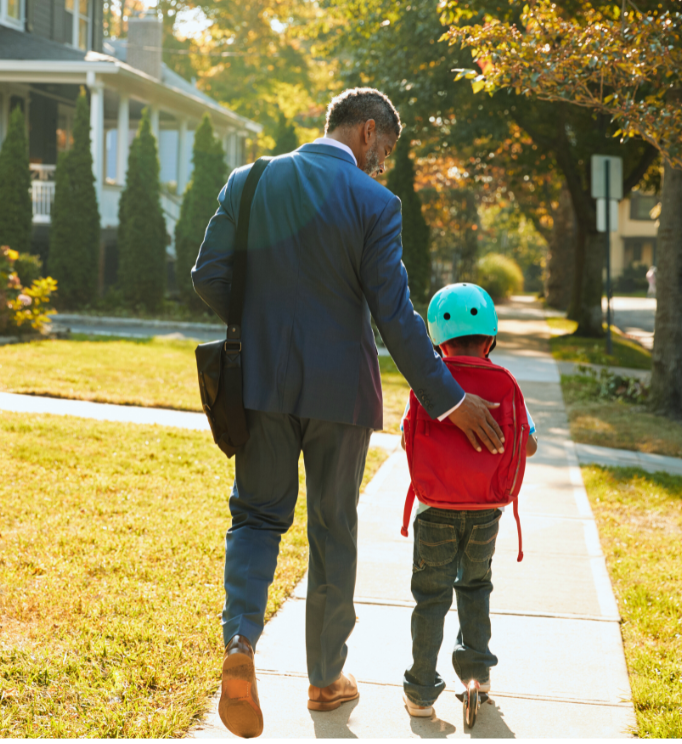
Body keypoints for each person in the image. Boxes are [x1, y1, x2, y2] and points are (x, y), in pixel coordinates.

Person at [192, 88, 506, 738]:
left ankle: (240, 645)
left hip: (261, 385)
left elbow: (208, 274)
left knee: (255, 517)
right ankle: (325, 678)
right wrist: (449, 398)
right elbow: (395, 314)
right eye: (384, 152)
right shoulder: (373, 203)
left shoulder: (248, 182)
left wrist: (260, 322)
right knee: (332, 531)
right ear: (367, 133)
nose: (382, 166)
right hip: (341, 395)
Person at [400, 283, 538, 719]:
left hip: (434, 508)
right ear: (491, 338)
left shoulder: (431, 382)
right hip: (485, 512)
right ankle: (477, 676)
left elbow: (408, 436)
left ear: (437, 340)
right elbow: (529, 444)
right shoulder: (504, 382)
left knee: (431, 597)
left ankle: (421, 692)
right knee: (475, 587)